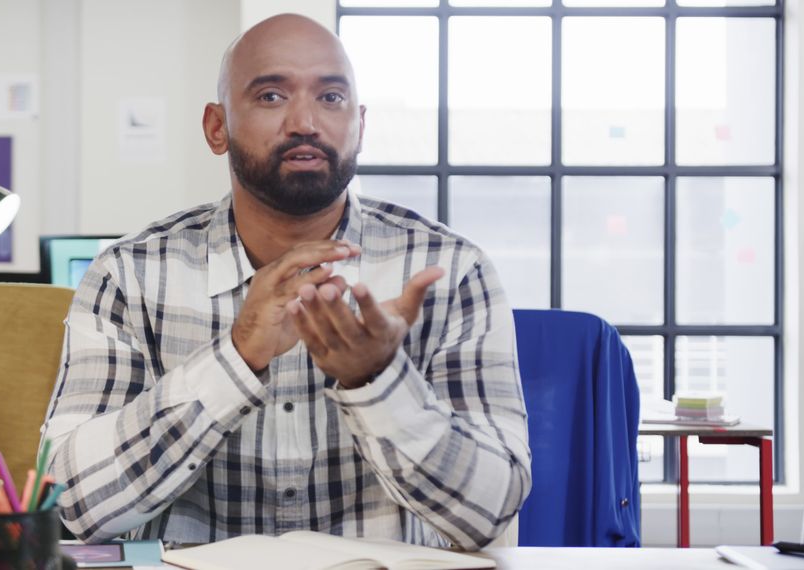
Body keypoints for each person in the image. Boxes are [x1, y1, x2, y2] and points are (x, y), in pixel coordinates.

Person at [41, 13, 530, 551]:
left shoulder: (451, 271)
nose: (305, 122)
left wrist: (377, 381)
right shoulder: (130, 275)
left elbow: (489, 512)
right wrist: (235, 358)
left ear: (360, 125)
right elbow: (74, 505)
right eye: (271, 96)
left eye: (331, 98)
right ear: (216, 127)